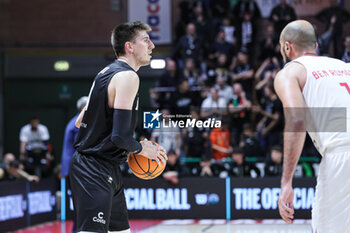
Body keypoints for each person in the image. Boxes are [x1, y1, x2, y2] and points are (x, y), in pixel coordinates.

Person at [69, 21, 167, 233]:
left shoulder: (105, 73)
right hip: (94, 168)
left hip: (105, 167)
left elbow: (80, 120)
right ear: (129, 47)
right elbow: (120, 138)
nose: (152, 46)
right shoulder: (128, 77)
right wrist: (143, 149)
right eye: (145, 40)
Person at [275, 20, 350, 232]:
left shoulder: (290, 73)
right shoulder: (344, 66)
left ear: (287, 47)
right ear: (315, 47)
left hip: (342, 156)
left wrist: (286, 182)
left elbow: (297, 120)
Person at [60, 96, 88, 178]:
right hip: (75, 166)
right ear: (84, 108)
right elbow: (81, 145)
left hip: (72, 166)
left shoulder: (75, 121)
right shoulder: (79, 124)